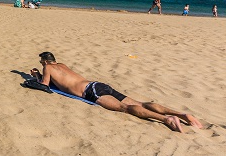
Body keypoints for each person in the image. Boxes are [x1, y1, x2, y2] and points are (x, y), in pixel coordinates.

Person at [30, 52, 202, 133]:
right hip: (97, 84)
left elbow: (46, 85)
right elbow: (63, 79)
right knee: (140, 103)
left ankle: (166, 119)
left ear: (45, 61)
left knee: (125, 108)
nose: (41, 63)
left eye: (41, 61)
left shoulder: (47, 67)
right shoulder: (63, 65)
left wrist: (37, 75)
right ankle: (182, 114)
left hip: (90, 92)